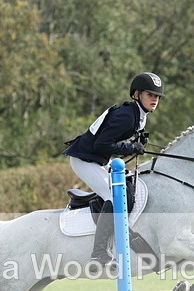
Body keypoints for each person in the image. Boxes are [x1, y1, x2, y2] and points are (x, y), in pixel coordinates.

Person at [63, 72, 165, 267]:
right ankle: (98, 254)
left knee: (125, 188)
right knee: (114, 196)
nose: (155, 99)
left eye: (157, 96)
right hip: (84, 159)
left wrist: (136, 142)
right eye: (150, 94)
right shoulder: (127, 115)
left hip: (96, 160)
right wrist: (130, 147)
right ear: (137, 94)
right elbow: (102, 144)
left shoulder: (138, 114)